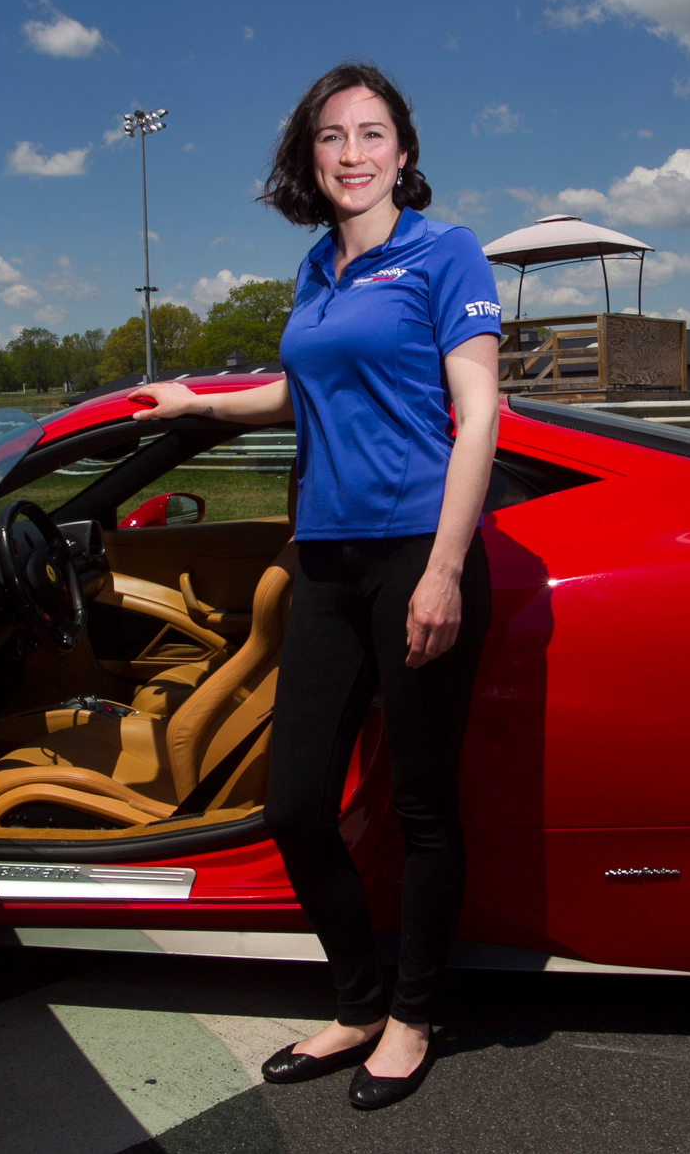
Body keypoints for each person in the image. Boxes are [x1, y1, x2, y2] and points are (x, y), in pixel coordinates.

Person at [131, 61, 500, 1110]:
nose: (350, 153)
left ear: (402, 150)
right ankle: (354, 1001)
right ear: (309, 157)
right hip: (326, 560)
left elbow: (477, 414)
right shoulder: (315, 268)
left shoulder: (443, 253)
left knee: (422, 807)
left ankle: (413, 1016)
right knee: (295, 803)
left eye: (370, 133)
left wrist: (441, 570)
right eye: (330, 137)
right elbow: (299, 386)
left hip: (414, 556)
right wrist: (192, 402)